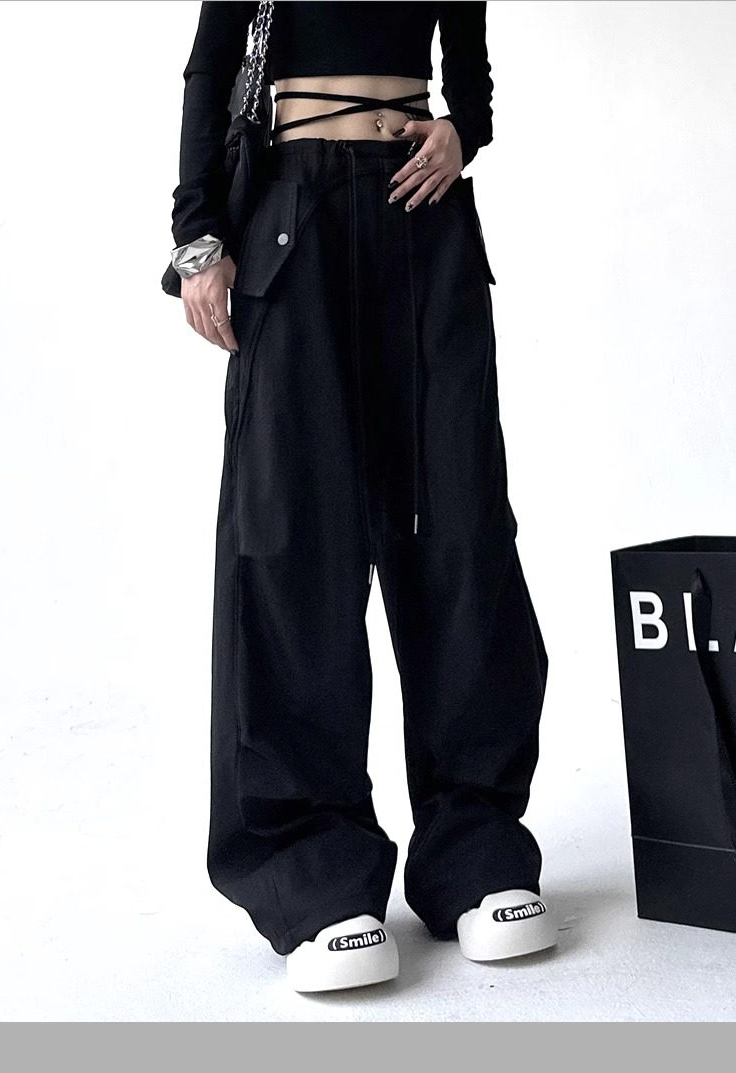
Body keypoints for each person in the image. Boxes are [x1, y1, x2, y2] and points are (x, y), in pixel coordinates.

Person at [167, 0, 557, 994]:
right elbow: (211, 68)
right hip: (292, 216)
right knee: (294, 543)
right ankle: (313, 871)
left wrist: (461, 131)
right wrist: (198, 233)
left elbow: (468, 66)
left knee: (461, 528)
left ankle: (474, 847)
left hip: (423, 219)